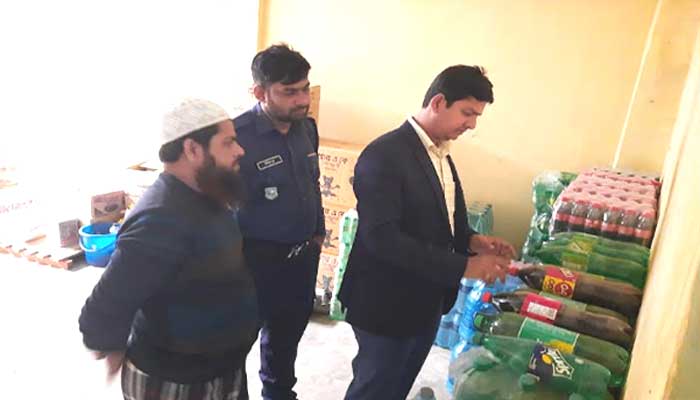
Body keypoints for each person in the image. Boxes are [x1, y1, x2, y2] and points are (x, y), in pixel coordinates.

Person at [338, 65, 517, 400]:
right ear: (437, 102)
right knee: (374, 388)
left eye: (476, 116)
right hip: (386, 304)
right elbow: (382, 239)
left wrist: (473, 240)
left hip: (425, 300)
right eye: (467, 113)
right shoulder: (384, 156)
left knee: (396, 386)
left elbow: (442, 219)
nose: (472, 125)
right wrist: (464, 266)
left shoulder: (440, 153)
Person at [79, 98, 258, 400]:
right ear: (192, 149)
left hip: (221, 370)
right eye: (228, 142)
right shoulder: (159, 219)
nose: (239, 150)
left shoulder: (208, 194)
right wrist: (110, 344)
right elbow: (102, 309)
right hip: (176, 382)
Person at [233, 44, 324, 400]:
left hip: (301, 258)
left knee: (286, 338)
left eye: (304, 89)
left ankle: (279, 393)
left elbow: (312, 185)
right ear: (260, 92)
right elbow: (219, 207)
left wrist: (318, 233)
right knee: (236, 342)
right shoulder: (237, 138)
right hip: (254, 261)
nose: (302, 100)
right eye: (289, 92)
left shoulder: (307, 129)